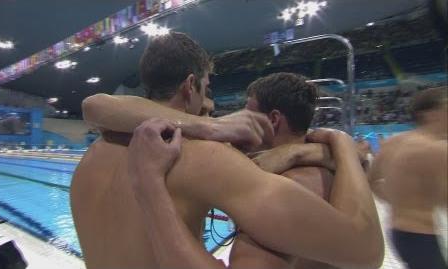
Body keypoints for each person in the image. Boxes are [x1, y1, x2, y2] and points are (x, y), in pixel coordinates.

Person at [72, 32, 383, 269]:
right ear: (190, 85)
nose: (209, 106)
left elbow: (96, 105)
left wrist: (303, 153)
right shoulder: (201, 157)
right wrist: (340, 143)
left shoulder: (91, 157)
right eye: (207, 89)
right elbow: (363, 248)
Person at [369, 86, 447, 269]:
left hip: (397, 232)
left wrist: (398, 201)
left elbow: (371, 180)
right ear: (432, 114)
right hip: (424, 234)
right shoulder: (437, 148)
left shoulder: (394, 142)